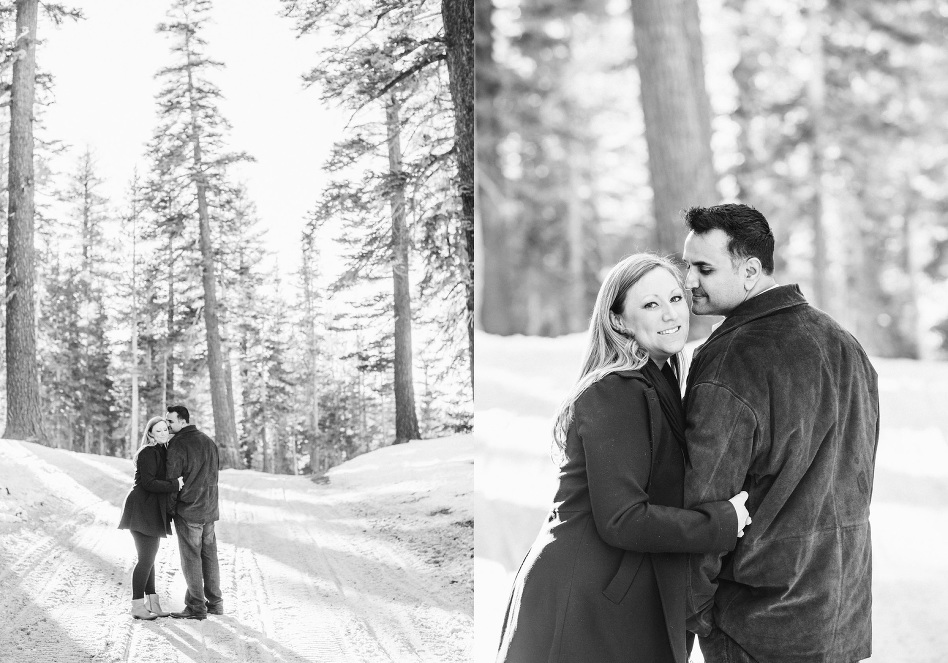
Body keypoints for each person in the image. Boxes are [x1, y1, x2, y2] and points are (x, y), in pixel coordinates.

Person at [496, 253, 751, 663]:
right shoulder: (617, 391)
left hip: (609, 597)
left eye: (675, 298)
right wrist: (722, 522)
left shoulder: (658, 379)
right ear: (618, 321)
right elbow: (622, 519)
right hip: (585, 603)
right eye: (650, 305)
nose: (670, 314)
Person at [681, 203, 879, 663]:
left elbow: (703, 506)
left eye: (704, 268)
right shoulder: (845, 344)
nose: (688, 281)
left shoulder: (731, 357)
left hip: (757, 625)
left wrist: (695, 616)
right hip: (840, 616)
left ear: (750, 270)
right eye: (687, 266)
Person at [117, 416, 183, 620]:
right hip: (141, 509)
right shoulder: (148, 452)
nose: (163, 433)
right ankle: (137, 606)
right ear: (150, 434)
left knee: (150, 557)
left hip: (150, 510)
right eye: (159, 431)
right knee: (146, 559)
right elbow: (148, 483)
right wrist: (175, 484)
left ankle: (153, 603)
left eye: (165, 430)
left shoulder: (162, 451)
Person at [164, 405, 223, 620]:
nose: (167, 425)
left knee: (191, 558)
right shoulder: (208, 441)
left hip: (189, 509)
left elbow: (173, 482)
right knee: (209, 556)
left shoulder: (178, 444)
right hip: (209, 508)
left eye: (170, 421)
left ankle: (196, 607)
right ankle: (215, 603)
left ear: (183, 421)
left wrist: (170, 510)